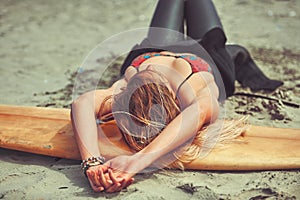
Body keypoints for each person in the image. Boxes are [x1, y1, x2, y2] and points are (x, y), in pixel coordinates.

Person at [71, 0, 282, 193]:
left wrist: (92, 162)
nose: (151, 68)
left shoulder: (126, 91)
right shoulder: (197, 92)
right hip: (207, 52)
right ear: (172, 99)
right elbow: (197, 113)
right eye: (145, 77)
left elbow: (82, 103)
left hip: (152, 48)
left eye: (145, 76)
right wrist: (138, 161)